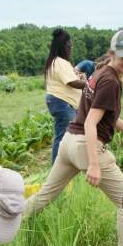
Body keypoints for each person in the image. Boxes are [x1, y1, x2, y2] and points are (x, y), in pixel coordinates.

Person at [24, 30, 123, 246]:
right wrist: (94, 164)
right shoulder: (111, 82)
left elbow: (105, 116)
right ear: (112, 54)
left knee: (45, 195)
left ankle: (2, 228)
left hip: (68, 143)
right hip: (85, 145)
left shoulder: (100, 74)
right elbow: (92, 123)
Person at [45, 29, 87, 163]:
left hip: (63, 103)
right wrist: (90, 84)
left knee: (67, 136)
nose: (71, 49)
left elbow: (72, 77)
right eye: (69, 46)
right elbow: (72, 82)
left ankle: (67, 163)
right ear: (62, 47)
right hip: (62, 103)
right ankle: (57, 166)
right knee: (63, 136)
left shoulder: (58, 61)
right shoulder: (60, 63)